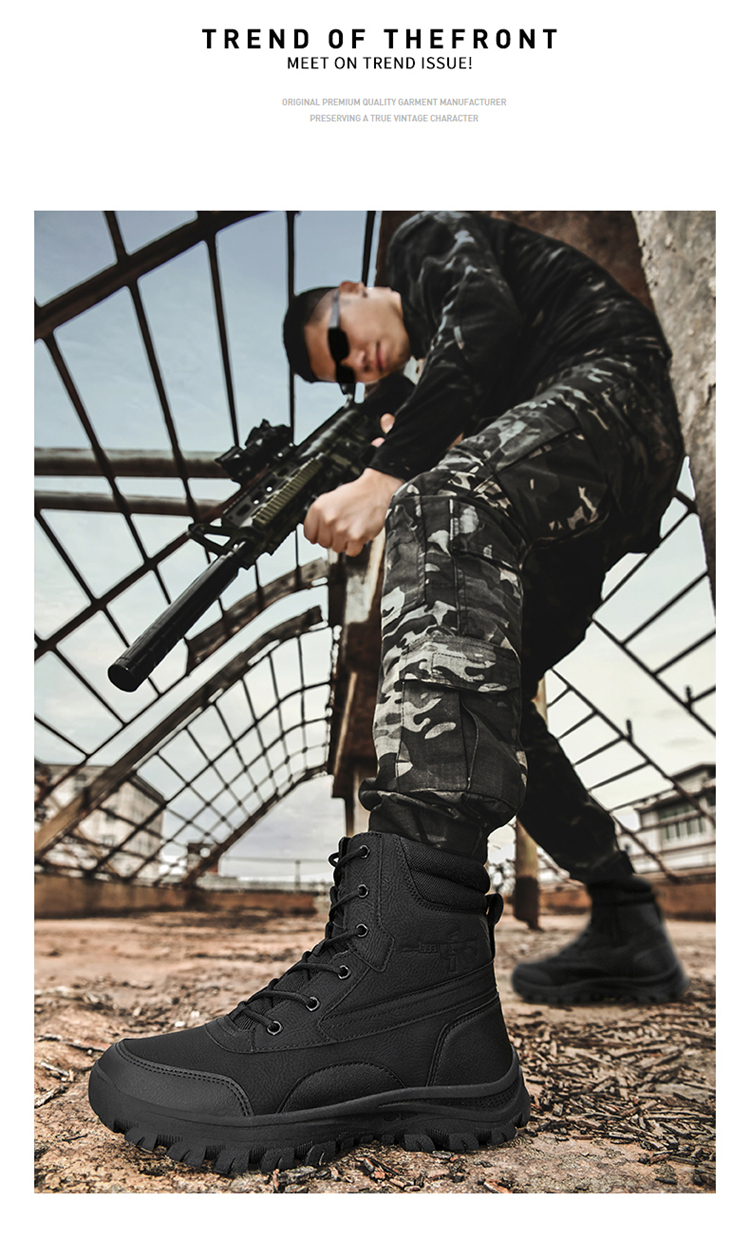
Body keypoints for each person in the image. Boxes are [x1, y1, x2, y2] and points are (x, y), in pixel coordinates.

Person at [88, 212, 688, 1175]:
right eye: (340, 374)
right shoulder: (415, 389)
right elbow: (458, 387)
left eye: (338, 338)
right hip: (587, 463)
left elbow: (482, 320)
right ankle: (624, 917)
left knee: (436, 502)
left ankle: (417, 953)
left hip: (611, 382)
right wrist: (385, 437)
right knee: (492, 696)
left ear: (351, 289)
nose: (354, 363)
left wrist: (387, 472)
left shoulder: (421, 242)